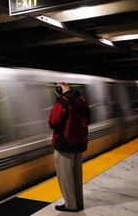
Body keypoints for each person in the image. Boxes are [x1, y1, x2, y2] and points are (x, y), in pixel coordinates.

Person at [48, 82, 91, 212]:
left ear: (59, 89)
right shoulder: (81, 100)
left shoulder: (62, 101)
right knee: (77, 176)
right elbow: (88, 119)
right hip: (79, 145)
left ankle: (70, 205)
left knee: (65, 177)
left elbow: (53, 121)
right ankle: (79, 203)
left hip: (65, 145)